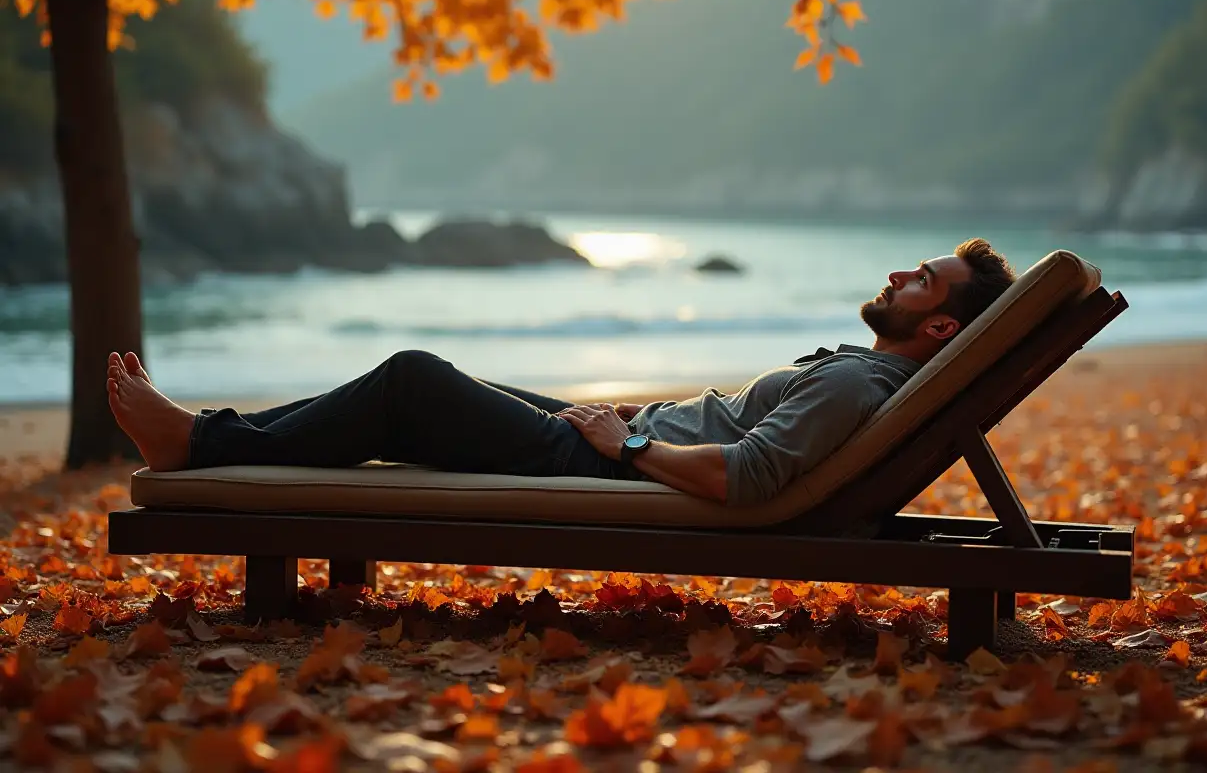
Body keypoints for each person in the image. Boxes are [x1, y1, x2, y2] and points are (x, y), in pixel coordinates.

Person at [107, 238, 1016, 507]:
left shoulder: (858, 386)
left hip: (606, 458)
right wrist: (636, 425)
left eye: (922, 279)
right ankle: (201, 438)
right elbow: (740, 443)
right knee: (406, 398)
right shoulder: (867, 378)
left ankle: (194, 442)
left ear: (938, 323)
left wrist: (629, 447)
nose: (900, 272)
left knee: (413, 381)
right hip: (618, 438)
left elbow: (746, 478)